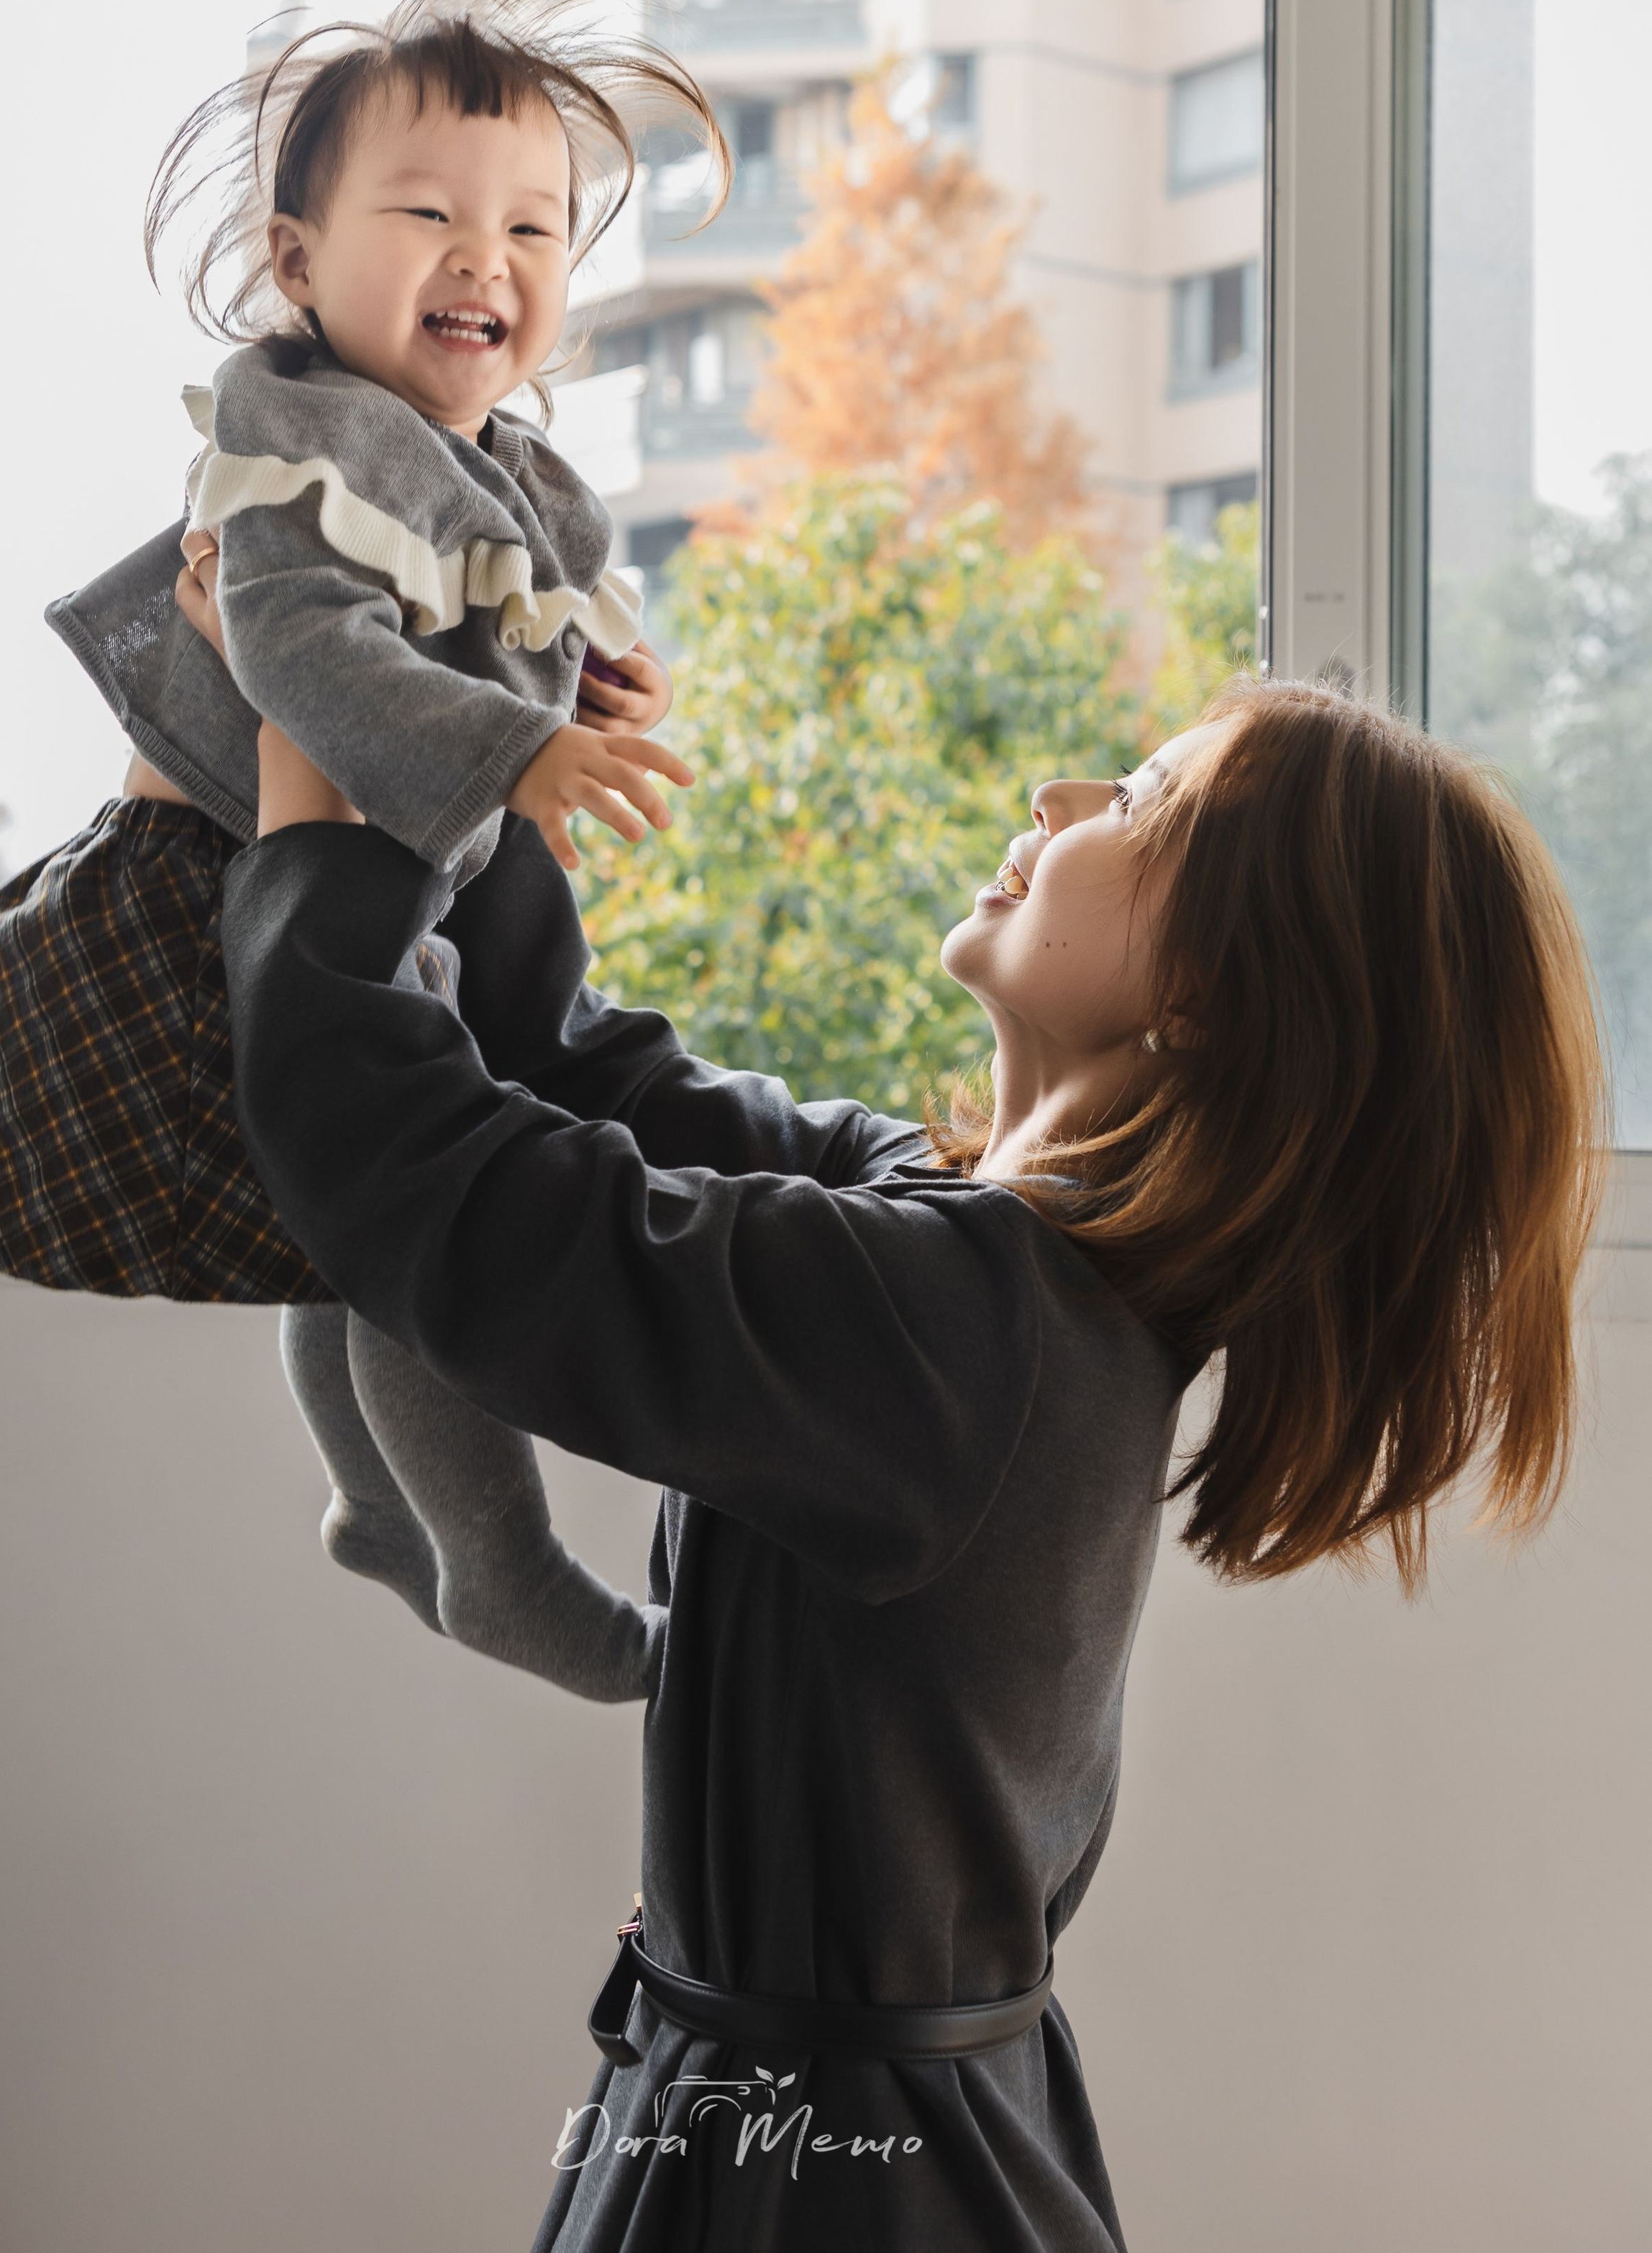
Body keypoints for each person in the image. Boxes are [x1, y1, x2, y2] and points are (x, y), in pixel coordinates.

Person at [213, 672, 1604, 2251]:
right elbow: (577, 1075)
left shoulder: (957, 1330)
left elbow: (438, 1195)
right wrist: (489, 743)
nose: (1060, 798)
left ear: (1209, 992)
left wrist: (311, 799)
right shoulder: (984, 1260)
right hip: (833, 2132)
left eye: (1139, 803)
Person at [0, 0, 720, 1704]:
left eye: (531, 226)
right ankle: (493, 1558)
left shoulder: (508, 475)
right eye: (431, 214)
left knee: (354, 1236)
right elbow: (311, 660)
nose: (487, 258)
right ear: (299, 262)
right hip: (206, 905)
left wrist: (584, 687)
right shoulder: (294, 437)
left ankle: (382, 1513)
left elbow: (492, 631)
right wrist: (512, 746)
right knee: (401, 1237)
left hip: (340, 903)